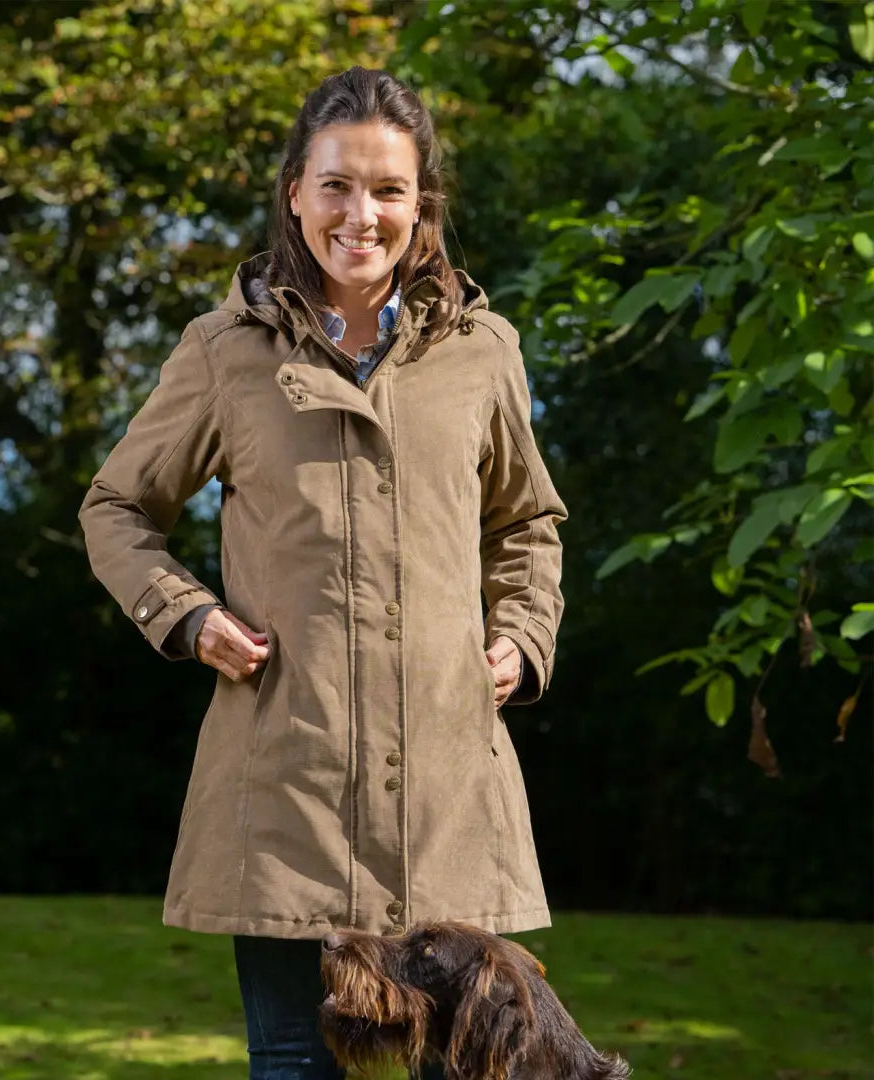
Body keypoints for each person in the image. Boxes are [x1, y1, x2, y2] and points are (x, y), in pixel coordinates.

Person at [79, 66, 566, 1080]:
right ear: (295, 192)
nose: (361, 214)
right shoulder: (222, 352)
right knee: (297, 1065)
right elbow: (116, 508)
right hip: (287, 792)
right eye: (337, 185)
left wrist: (521, 634)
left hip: (447, 797)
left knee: (458, 1071)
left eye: (389, 190)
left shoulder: (484, 351)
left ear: (422, 206)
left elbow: (528, 521)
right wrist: (186, 614)